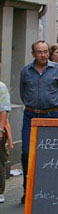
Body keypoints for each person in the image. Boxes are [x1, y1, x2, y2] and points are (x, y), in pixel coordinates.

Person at [20, 41, 58, 202]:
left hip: (50, 115)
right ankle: (27, 188)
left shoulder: (57, 70)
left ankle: (47, 189)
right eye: (40, 52)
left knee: (49, 155)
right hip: (31, 116)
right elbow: (22, 93)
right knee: (26, 152)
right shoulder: (26, 71)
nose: (43, 55)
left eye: (45, 52)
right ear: (33, 54)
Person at [0, 59, 11, 204]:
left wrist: (0, 128)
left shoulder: (1, 86)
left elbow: (4, 109)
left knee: (0, 160)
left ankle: (0, 190)